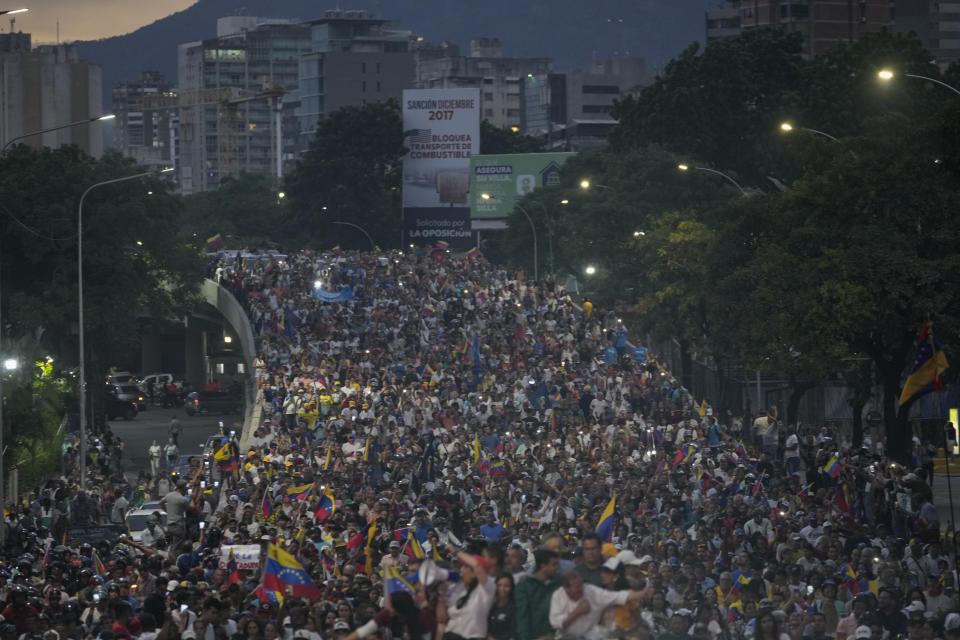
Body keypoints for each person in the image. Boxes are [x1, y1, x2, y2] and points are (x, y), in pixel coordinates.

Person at [548, 571, 648, 640]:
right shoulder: (558, 597)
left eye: (582, 585)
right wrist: (578, 611)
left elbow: (617, 597)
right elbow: (557, 623)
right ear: (566, 588)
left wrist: (641, 593)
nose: (581, 589)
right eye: (577, 587)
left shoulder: (593, 594)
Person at [443, 546, 492, 640]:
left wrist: (456, 552)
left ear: (475, 573)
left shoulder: (486, 589)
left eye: (465, 567)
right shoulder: (459, 590)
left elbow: (477, 565)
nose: (461, 569)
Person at [515, 549, 561, 640]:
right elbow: (521, 615)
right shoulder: (525, 585)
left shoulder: (559, 583)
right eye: (554, 565)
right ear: (543, 566)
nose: (558, 568)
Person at [487, 574, 516, 640]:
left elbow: (513, 633)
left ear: (512, 588)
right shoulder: (492, 606)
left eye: (506, 586)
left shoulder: (514, 607)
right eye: (499, 585)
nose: (502, 589)